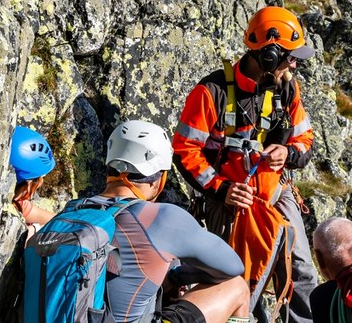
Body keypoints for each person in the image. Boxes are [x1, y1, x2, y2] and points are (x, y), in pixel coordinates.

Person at [172, 6, 319, 323]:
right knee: (235, 278)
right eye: (289, 56)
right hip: (230, 204)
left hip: (276, 193)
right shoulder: (210, 92)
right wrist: (221, 189)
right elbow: (185, 151)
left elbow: (305, 140)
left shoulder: (288, 88)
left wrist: (287, 153)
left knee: (302, 273)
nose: (293, 64)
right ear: (268, 55)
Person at [86, 119, 252, 323]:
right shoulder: (162, 217)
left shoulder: (73, 212)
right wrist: (175, 277)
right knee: (236, 287)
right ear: (158, 179)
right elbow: (233, 266)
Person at [9, 126, 57, 232]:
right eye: (41, 178)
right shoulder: (12, 206)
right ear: (27, 183)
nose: (41, 183)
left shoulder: (19, 203)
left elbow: (56, 220)